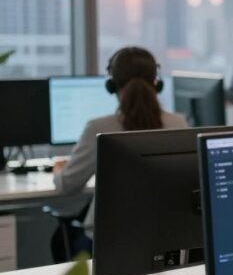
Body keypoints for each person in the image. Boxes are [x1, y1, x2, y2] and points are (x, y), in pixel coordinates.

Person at [53, 47, 188, 253]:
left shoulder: (98, 129)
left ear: (112, 84)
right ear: (156, 82)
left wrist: (58, 169)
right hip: (164, 243)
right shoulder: (178, 124)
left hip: (107, 247)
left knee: (58, 242)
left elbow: (68, 185)